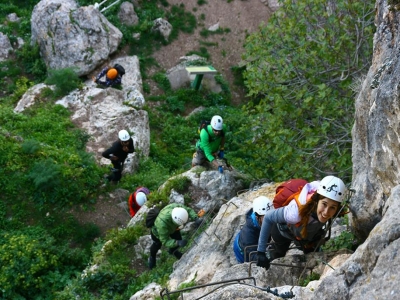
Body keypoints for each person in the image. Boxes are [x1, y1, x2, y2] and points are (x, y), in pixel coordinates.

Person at [256, 175, 347, 270]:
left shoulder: (326, 195)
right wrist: (260, 252)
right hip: (281, 230)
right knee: (278, 255)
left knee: (312, 256)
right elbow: (268, 217)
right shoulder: (295, 213)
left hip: (305, 231)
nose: (326, 212)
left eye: (332, 207)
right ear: (316, 200)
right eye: (324, 204)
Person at [148, 203, 202, 269]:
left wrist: (195, 218)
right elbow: (165, 241)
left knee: (178, 238)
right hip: (157, 233)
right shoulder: (161, 225)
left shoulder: (176, 208)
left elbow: (188, 210)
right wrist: (177, 242)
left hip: (173, 228)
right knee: (157, 245)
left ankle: (173, 251)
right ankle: (152, 258)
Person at [233, 196, 274, 263]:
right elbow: (253, 257)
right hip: (241, 252)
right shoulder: (248, 236)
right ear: (257, 217)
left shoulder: (263, 219)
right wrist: (270, 254)